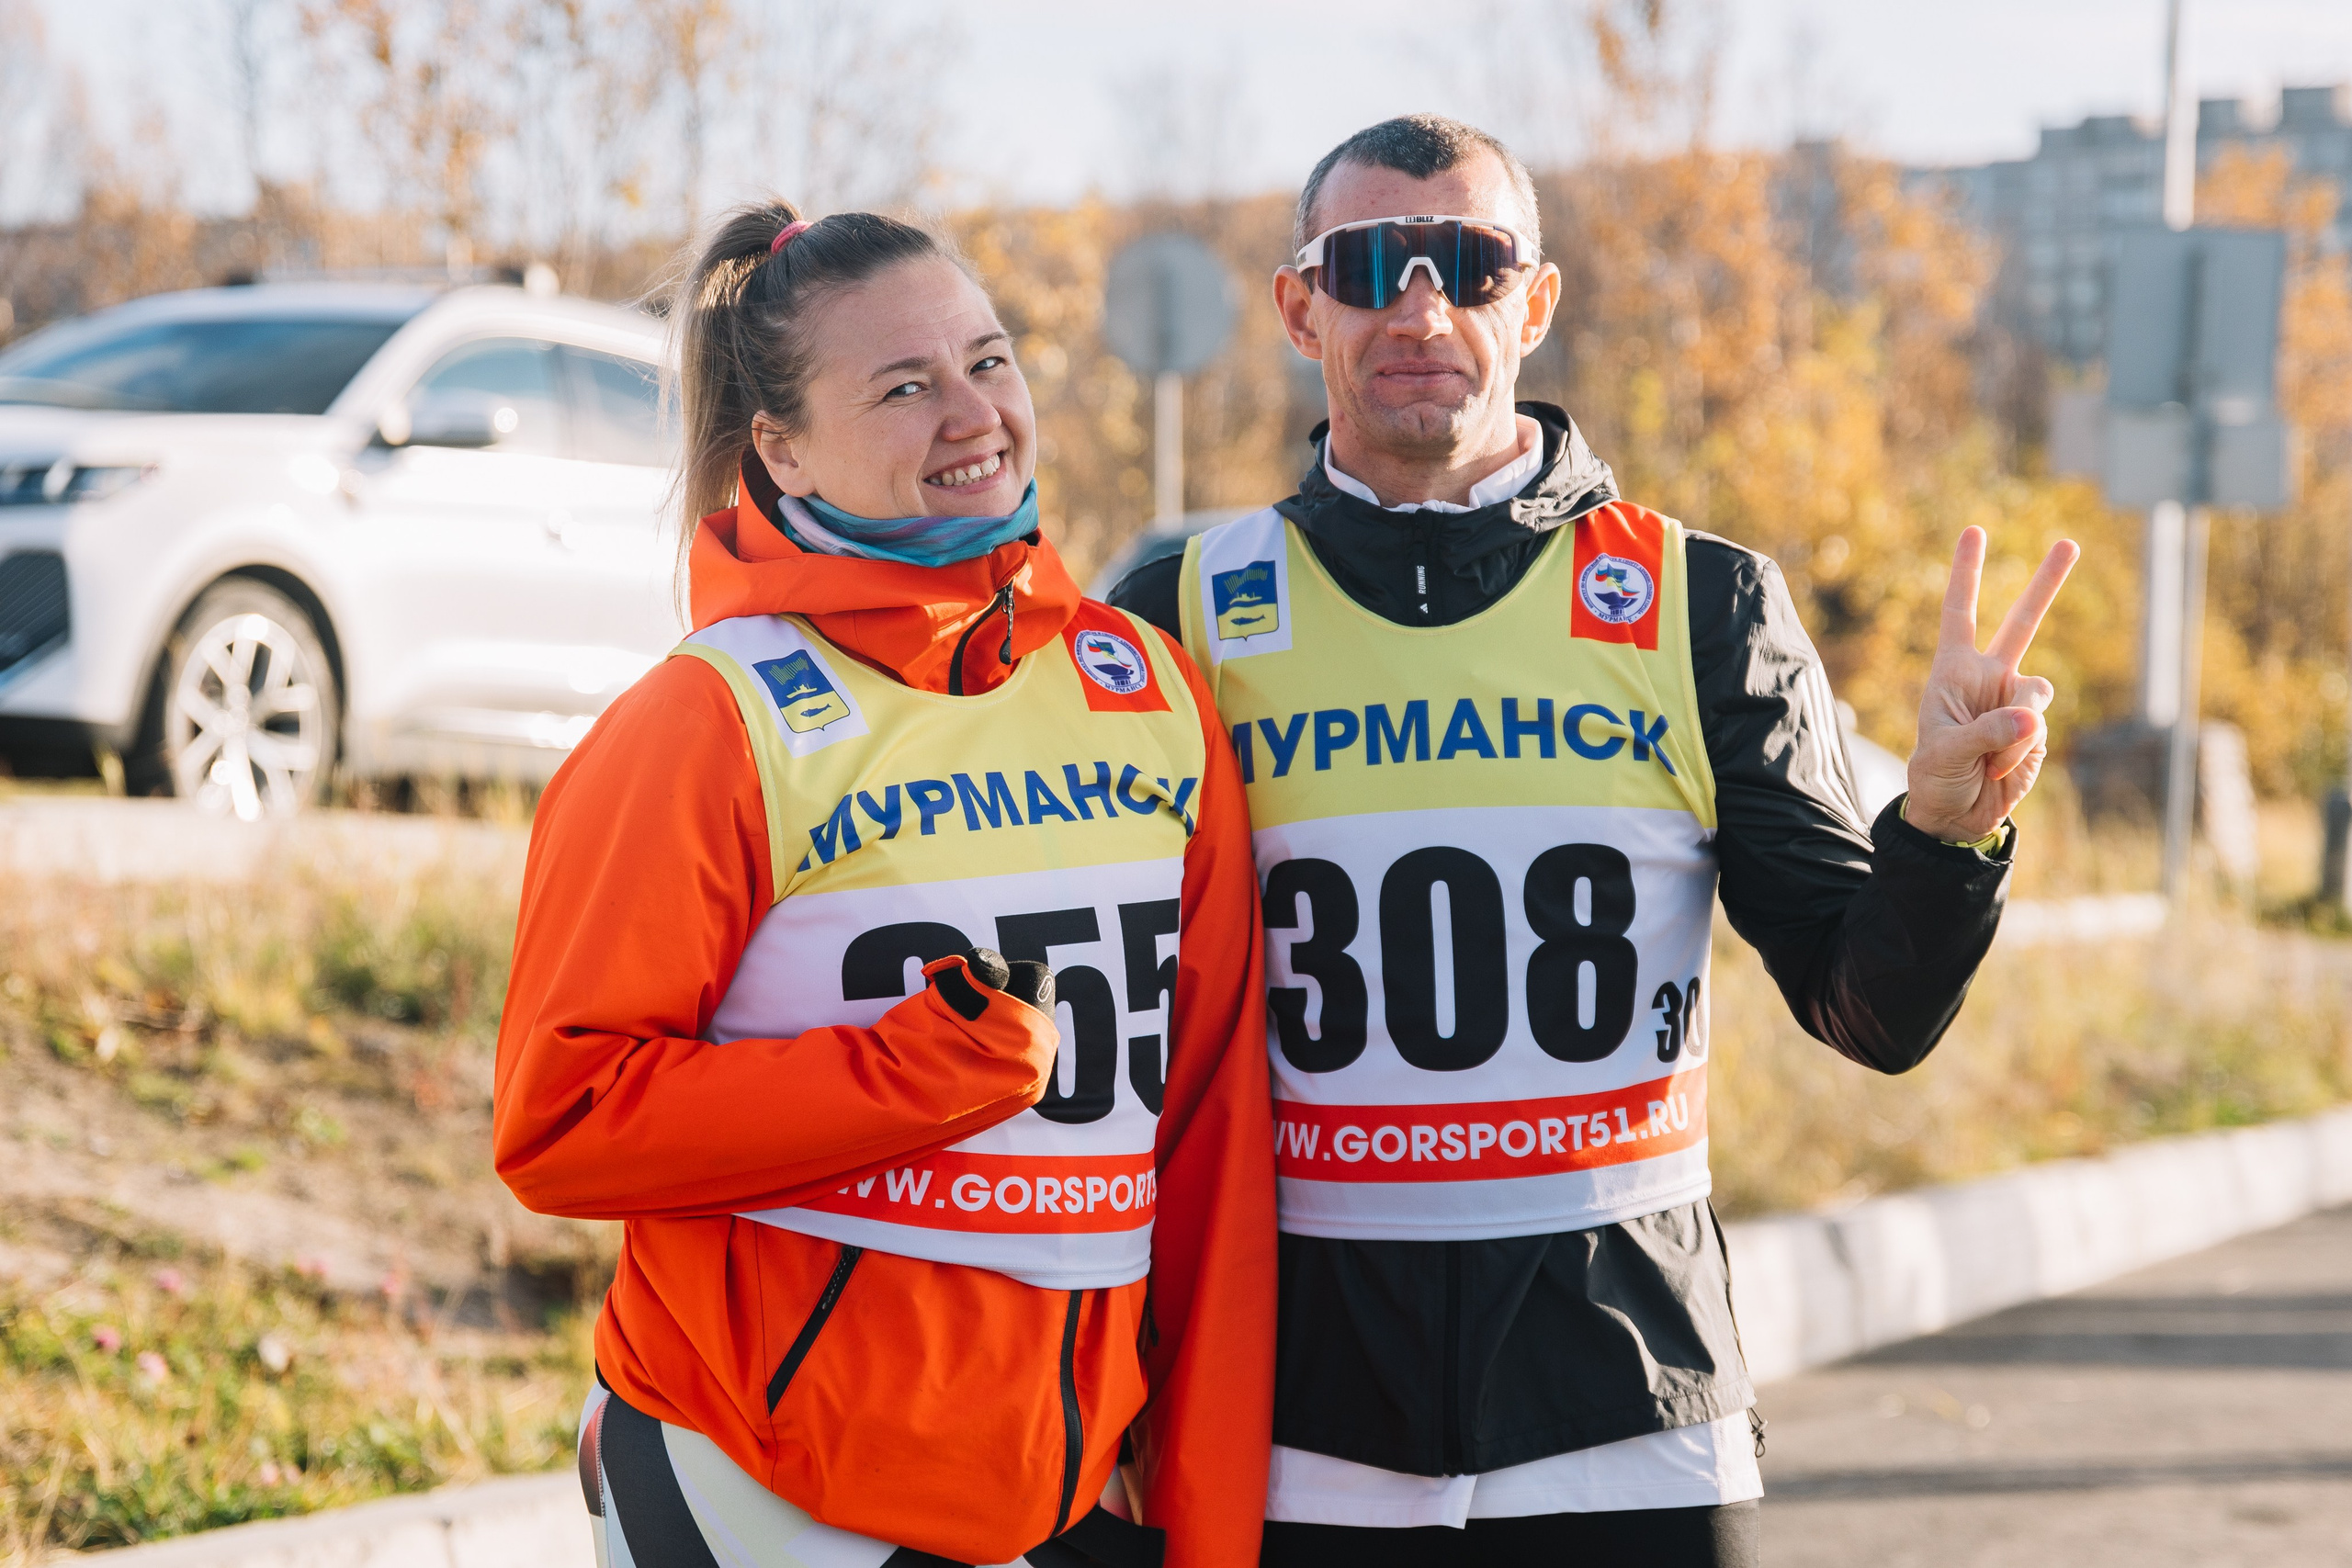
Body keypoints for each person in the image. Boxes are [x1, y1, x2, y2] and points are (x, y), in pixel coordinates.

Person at [1109, 115, 2077, 1568]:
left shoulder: (1699, 603)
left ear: (1537, 302)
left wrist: (1941, 831)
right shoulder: (1176, 610)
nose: (1421, 306)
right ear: (1299, 304)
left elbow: (1868, 1011)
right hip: (1301, 1431)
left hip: (1628, 1420)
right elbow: (1094, 1044)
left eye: (1472, 263)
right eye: (1371, 264)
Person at [495, 201, 1274, 1568]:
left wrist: (1211, 1520)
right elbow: (562, 1120)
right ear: (778, 446)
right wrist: (915, 1074)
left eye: (989, 359)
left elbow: (1211, 1136)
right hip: (769, 1488)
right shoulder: (703, 723)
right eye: (904, 386)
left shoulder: (1141, 687)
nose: (973, 413)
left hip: (1068, 1490)